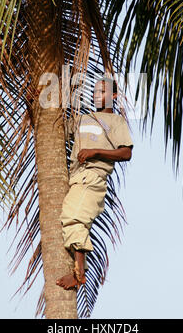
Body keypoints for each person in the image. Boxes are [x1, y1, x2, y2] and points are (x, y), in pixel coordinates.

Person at [56, 77, 134, 290]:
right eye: (96, 91)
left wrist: (96, 151)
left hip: (93, 178)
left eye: (103, 91)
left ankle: (79, 274)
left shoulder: (116, 122)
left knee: (74, 217)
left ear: (114, 96)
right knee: (72, 218)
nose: (97, 94)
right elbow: (56, 129)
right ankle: (79, 269)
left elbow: (126, 152)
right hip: (75, 179)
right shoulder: (82, 119)